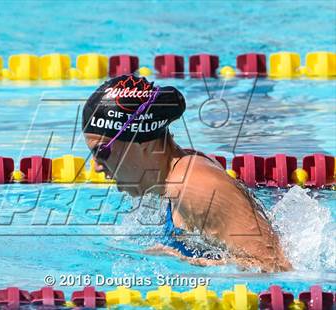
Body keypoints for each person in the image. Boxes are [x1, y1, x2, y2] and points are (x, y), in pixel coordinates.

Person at [82, 75, 291, 272]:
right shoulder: (171, 181)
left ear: (141, 140)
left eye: (101, 151)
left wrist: (184, 259)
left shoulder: (195, 185)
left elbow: (276, 269)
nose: (96, 166)